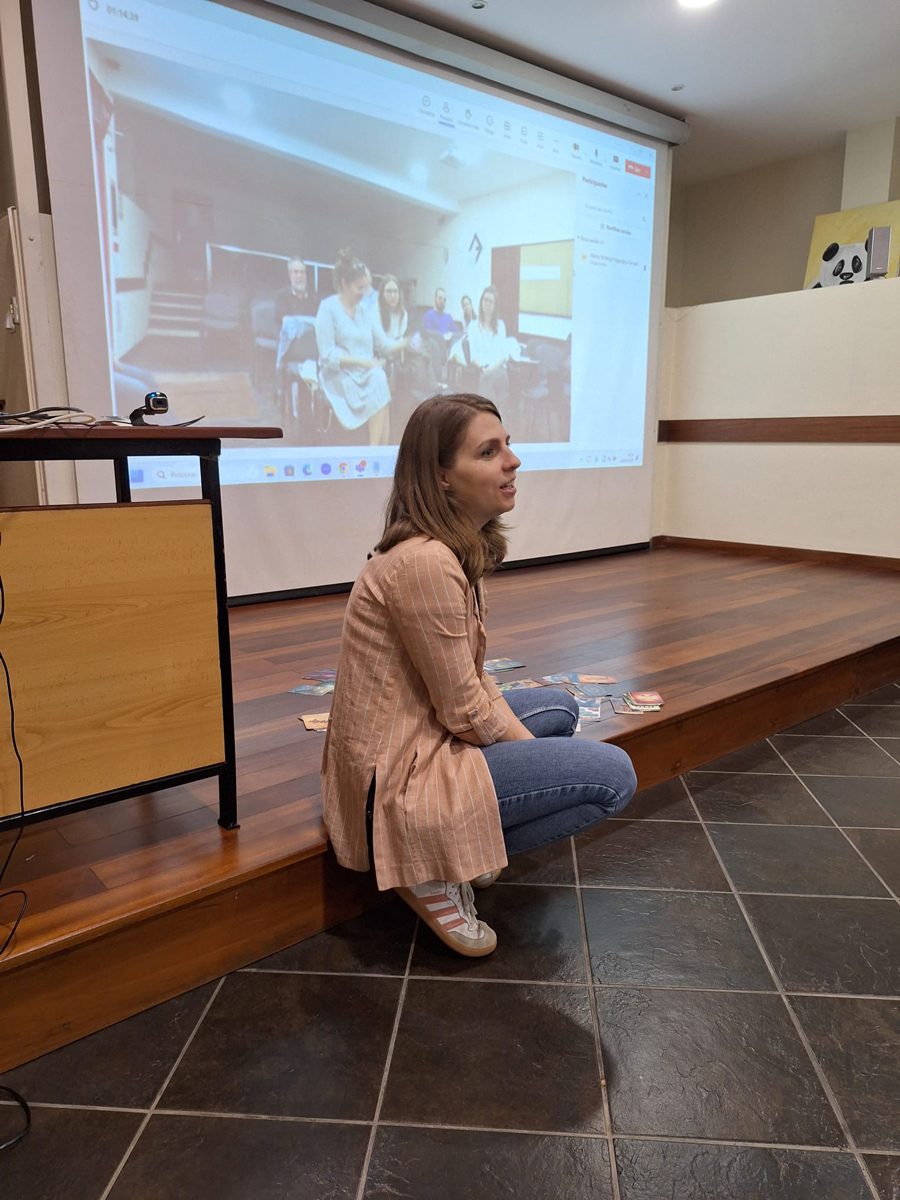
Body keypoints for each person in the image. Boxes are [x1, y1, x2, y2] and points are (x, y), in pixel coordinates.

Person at [321, 394, 637, 957]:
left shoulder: (450, 548)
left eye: (507, 445)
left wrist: (529, 751)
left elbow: (468, 677)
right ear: (442, 476)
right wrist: (534, 758)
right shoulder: (425, 562)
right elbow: (464, 709)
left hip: (417, 737)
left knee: (560, 707)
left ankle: (462, 842)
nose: (513, 460)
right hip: (398, 780)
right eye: (489, 452)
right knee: (613, 776)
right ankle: (431, 865)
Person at [316, 248, 407, 444]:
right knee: (378, 379)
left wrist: (405, 343)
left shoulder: (364, 311)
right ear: (344, 284)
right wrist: (363, 362)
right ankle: (376, 452)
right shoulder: (327, 308)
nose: (364, 293)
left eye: (366, 288)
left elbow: (383, 344)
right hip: (340, 375)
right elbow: (327, 356)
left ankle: (377, 452)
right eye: (359, 288)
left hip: (365, 373)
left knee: (379, 377)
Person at [452, 285, 512, 405]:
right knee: (485, 379)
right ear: (481, 302)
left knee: (486, 378)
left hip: (498, 370)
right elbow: (473, 356)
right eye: (485, 300)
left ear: (495, 306)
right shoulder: (473, 326)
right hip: (481, 369)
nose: (487, 303)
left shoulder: (501, 325)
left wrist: (490, 369)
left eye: (491, 301)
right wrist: (483, 368)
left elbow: (503, 356)